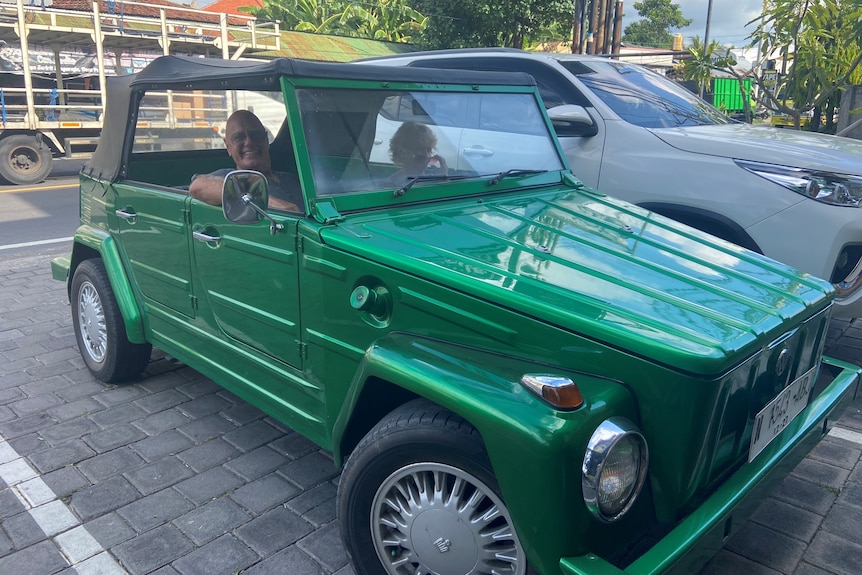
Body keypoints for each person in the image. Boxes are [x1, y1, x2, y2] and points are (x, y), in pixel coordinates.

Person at [190, 110, 301, 212]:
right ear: (228, 147)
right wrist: (268, 202)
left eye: (256, 135)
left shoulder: (291, 179)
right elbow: (197, 187)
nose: (249, 142)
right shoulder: (230, 177)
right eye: (239, 138)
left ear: (266, 139)